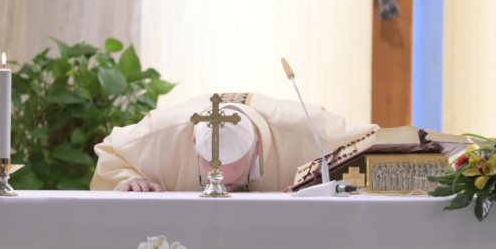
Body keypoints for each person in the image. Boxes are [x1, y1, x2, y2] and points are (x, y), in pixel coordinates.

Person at [90, 93, 378, 192]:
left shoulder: (307, 130)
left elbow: (376, 146)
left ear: (257, 149)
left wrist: (331, 186)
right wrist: (129, 180)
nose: (226, 196)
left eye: (234, 183)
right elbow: (111, 152)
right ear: (194, 142)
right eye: (215, 181)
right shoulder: (163, 133)